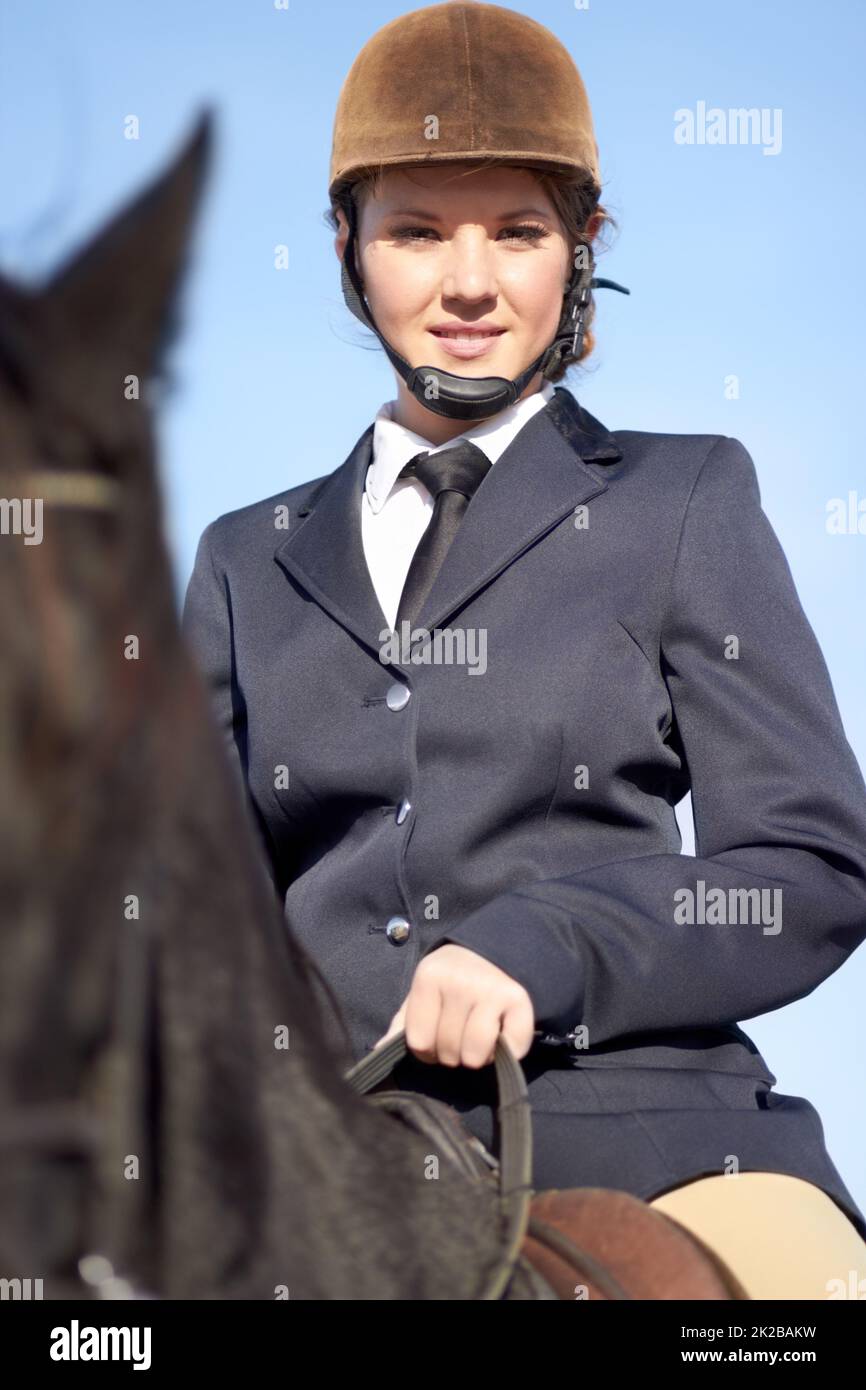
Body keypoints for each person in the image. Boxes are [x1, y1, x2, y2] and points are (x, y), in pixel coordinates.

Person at [182, 1, 866, 1299]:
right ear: (346, 249)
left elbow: (806, 867)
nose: (468, 283)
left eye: (517, 230)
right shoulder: (237, 559)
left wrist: (542, 941)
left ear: (580, 249)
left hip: (656, 1145)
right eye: (416, 231)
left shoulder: (685, 499)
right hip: (324, 1163)